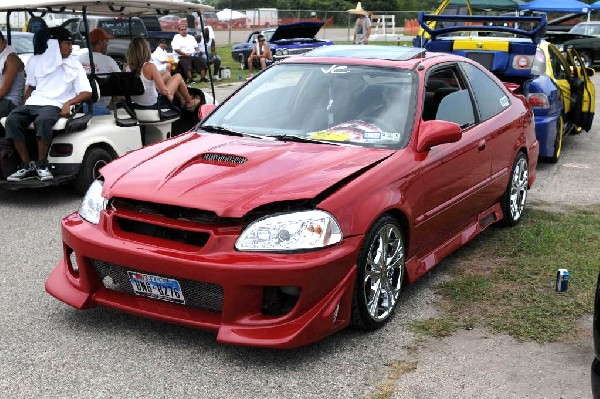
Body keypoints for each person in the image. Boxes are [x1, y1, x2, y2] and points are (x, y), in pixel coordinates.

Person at [5, 26, 92, 182]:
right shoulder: (36, 61)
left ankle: (41, 164)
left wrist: (68, 103)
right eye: (67, 43)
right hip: (34, 102)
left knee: (43, 120)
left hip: (55, 104)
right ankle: (26, 165)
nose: (71, 48)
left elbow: (87, 92)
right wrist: (23, 105)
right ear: (54, 44)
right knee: (12, 119)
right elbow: (31, 87)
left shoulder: (74, 65)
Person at [126, 36, 200, 111]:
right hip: (154, 105)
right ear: (146, 50)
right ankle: (189, 103)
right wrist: (170, 95)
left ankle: (181, 98)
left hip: (136, 105)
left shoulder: (127, 67)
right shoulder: (150, 66)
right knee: (178, 76)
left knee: (167, 74)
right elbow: (164, 92)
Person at [77, 28, 120, 115]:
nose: (107, 44)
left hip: (81, 106)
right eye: (106, 41)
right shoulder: (108, 61)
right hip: (102, 106)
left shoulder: (79, 59)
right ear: (99, 42)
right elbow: (121, 80)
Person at [0, 31, 26, 135]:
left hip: (10, 102)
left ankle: (6, 146)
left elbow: (5, 89)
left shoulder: (11, 58)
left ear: (4, 41)